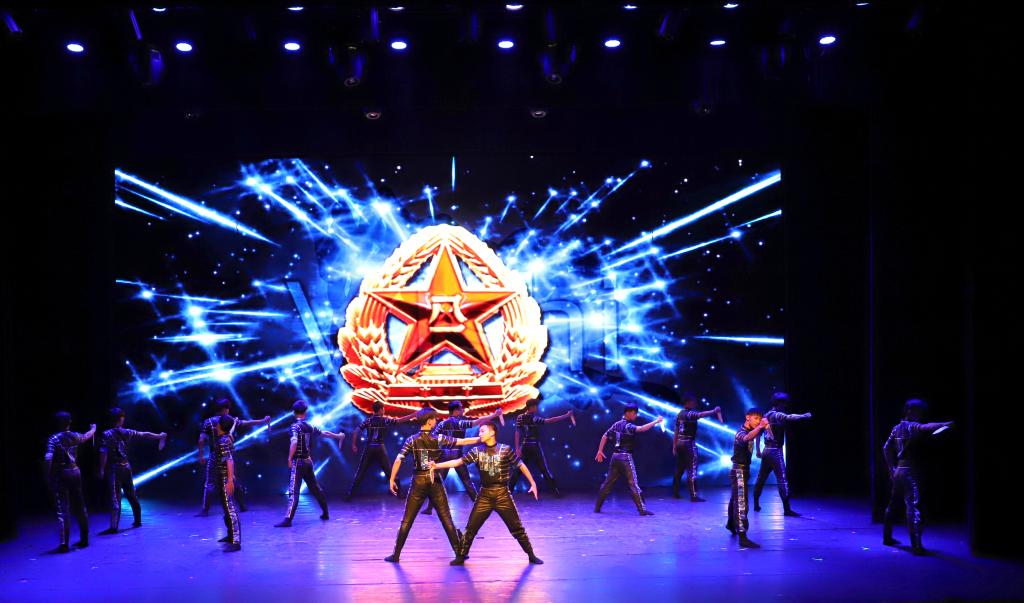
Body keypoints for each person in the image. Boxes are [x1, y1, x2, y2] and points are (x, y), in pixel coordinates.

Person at [430, 421, 544, 565]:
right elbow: (458, 462)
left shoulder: (505, 449)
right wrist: (437, 465)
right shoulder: (477, 451)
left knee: (517, 528)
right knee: (471, 528)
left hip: (503, 494)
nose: (480, 433)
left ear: (492, 432)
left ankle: (531, 555)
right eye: (479, 431)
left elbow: (521, 465)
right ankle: (461, 556)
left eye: (483, 431)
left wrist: (533, 482)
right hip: (484, 495)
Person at [384, 410, 481, 563]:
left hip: (418, 481)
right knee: (446, 518)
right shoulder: (438, 438)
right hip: (434, 479)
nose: (436, 421)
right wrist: (480, 439)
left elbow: (398, 459)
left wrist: (391, 479)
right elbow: (461, 442)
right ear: (429, 421)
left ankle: (396, 555)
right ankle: (459, 554)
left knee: (407, 520)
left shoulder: (411, 440)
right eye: (434, 419)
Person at [882, 399, 953, 555]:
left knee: (893, 504)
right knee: (914, 507)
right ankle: (916, 546)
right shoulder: (911, 426)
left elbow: (886, 448)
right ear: (909, 411)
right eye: (919, 411)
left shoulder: (896, 428)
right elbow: (926, 427)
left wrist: (891, 468)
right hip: (910, 472)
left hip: (899, 471)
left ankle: (887, 537)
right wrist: (945, 424)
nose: (921, 414)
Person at [421, 401, 503, 516]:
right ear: (455, 411)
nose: (462, 410)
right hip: (456, 455)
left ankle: (429, 508)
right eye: (460, 409)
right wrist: (494, 415)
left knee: (438, 483)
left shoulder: (442, 424)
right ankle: (480, 506)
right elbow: (477, 421)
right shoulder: (459, 423)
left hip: (445, 456)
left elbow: (432, 438)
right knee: (466, 482)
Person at [274, 400, 346, 528]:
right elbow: (324, 433)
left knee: (294, 492)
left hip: (298, 462)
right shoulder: (309, 426)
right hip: (308, 461)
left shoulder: (295, 427)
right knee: (315, 488)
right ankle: (325, 513)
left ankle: (288, 520)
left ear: (294, 412)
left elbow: (294, 442)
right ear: (305, 412)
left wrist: (289, 458)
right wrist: (338, 436)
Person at [97, 407, 167, 534]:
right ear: (120, 419)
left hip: (115, 469)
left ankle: (114, 527)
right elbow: (145, 434)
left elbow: (103, 453)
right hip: (126, 467)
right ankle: (138, 520)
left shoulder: (106, 435)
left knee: (115, 497)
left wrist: (101, 469)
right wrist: (159, 436)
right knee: (131, 494)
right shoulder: (127, 432)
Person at [196, 399, 270, 515]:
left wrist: (201, 456)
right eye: (228, 409)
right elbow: (246, 423)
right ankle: (242, 506)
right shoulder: (229, 420)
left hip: (214, 455)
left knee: (210, 482)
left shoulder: (208, 422)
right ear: (225, 410)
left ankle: (205, 510)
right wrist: (262, 421)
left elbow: (201, 440)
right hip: (226, 455)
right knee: (233, 479)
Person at [594, 403, 663, 516]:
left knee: (607, 483)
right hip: (625, 458)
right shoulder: (628, 426)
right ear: (628, 413)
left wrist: (600, 450)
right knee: (633, 483)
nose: (635, 416)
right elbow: (641, 429)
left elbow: (605, 436)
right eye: (634, 413)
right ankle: (642, 510)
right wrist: (656, 421)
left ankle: (597, 508)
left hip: (615, 457)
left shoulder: (616, 424)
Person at [753, 392, 812, 516]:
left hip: (766, 451)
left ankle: (756, 503)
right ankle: (787, 509)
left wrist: (758, 450)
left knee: (761, 478)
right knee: (782, 479)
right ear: (779, 403)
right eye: (783, 404)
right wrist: (804, 416)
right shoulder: (776, 415)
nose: (785, 406)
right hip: (775, 452)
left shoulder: (766, 415)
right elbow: (789, 417)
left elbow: (758, 433)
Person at [44, 412, 96, 552]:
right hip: (75, 472)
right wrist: (93, 429)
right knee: (80, 506)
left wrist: (47, 475)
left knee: (63, 509)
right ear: (70, 422)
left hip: (62, 474)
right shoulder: (75, 436)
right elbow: (86, 436)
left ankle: (64, 544)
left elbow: (48, 459)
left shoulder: (54, 439)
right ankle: (84, 539)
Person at [346, 402, 418, 500]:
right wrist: (413, 415)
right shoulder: (384, 420)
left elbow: (356, 431)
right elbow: (399, 421)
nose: (384, 411)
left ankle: (350, 494)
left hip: (369, 447)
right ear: (380, 410)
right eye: (383, 409)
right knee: (389, 472)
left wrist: (354, 445)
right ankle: (399, 493)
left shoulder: (368, 421)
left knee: (361, 472)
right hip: (380, 447)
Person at [510, 400, 573, 497]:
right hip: (533, 446)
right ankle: (555, 492)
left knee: (518, 469)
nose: (536, 408)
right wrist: (566, 415)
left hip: (525, 446)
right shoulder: (533, 418)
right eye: (535, 406)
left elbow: (517, 432)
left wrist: (517, 448)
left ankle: (508, 491)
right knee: (543, 469)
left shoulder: (520, 417)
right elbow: (550, 420)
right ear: (531, 407)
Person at [727, 408, 770, 549]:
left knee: (735, 499)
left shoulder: (753, 430)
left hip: (744, 469)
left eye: (759, 419)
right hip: (738, 470)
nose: (758, 421)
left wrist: (767, 427)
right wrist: (760, 427)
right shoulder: (740, 432)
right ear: (747, 417)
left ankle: (731, 524)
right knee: (741, 503)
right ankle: (742, 536)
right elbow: (747, 438)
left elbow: (768, 436)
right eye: (755, 418)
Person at [672, 395, 722, 501]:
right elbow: (700, 415)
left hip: (680, 443)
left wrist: (674, 445)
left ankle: (675, 493)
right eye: (693, 401)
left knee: (680, 469)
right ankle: (693, 495)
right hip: (688, 444)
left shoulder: (679, 414)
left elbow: (676, 430)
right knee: (692, 469)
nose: (694, 403)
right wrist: (714, 411)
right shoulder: (689, 413)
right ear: (688, 402)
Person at [212, 415, 242, 552]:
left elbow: (229, 460)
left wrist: (230, 480)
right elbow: (231, 431)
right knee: (226, 509)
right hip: (222, 476)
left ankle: (236, 541)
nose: (216, 425)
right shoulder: (226, 438)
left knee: (230, 509)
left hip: (225, 478)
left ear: (221, 426)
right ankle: (230, 535)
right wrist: (234, 423)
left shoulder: (223, 441)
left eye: (218, 423)